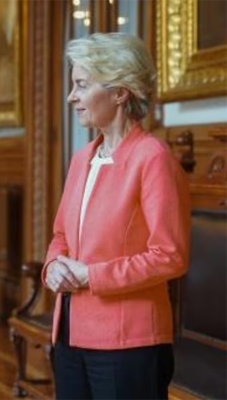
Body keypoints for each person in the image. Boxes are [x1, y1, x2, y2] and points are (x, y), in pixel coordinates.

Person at [42, 32, 190, 400]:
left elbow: (169, 256)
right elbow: (61, 235)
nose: (71, 97)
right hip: (69, 333)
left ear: (120, 92)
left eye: (81, 85)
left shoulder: (152, 158)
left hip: (128, 342)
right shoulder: (81, 158)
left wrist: (91, 275)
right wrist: (53, 266)